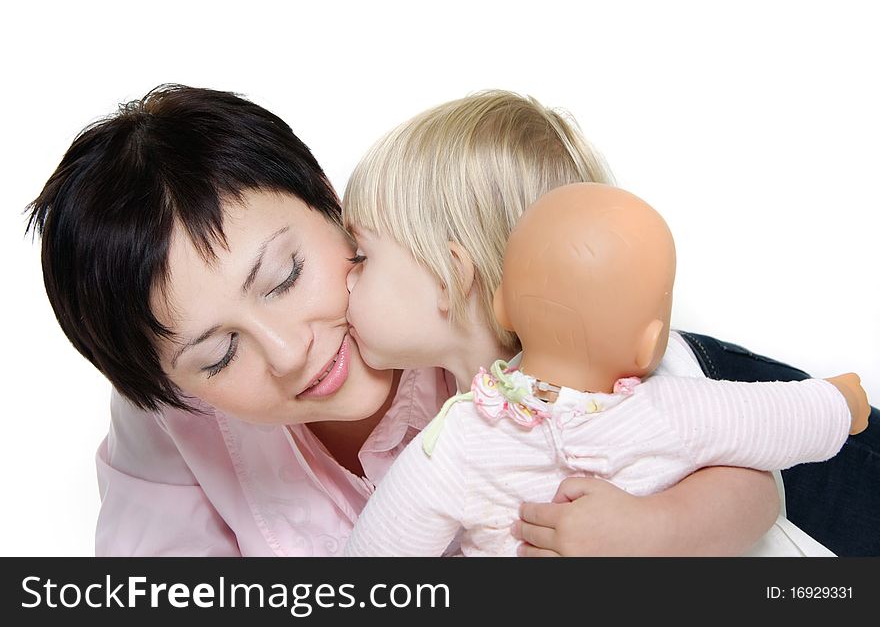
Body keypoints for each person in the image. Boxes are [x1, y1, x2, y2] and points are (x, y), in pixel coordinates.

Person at [25, 85, 878, 556]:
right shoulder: (166, 423)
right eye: (217, 355)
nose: (290, 353)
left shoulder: (499, 314)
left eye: (286, 275)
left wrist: (649, 528)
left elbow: (747, 474)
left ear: (331, 205)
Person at [342, 89, 880, 556]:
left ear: (452, 277)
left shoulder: (649, 379)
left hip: (826, 490)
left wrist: (651, 530)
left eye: (361, 254)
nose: (343, 277)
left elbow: (758, 487)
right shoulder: (455, 425)